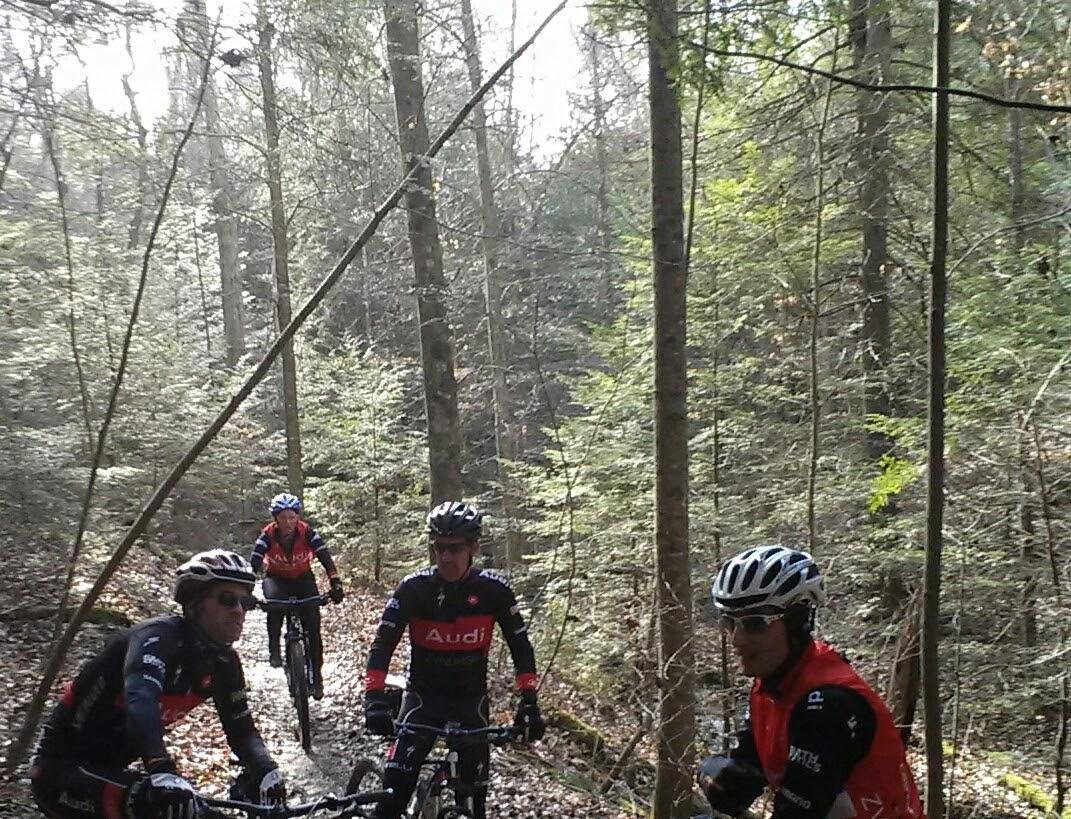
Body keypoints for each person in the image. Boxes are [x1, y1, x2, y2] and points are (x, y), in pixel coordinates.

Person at [30, 549, 286, 819]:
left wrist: (266, 770)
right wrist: (162, 768)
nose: (238, 611)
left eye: (245, 602)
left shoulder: (224, 662)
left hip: (112, 771)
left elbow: (242, 731)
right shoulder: (156, 638)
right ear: (194, 603)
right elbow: (140, 698)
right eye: (227, 599)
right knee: (165, 808)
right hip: (59, 771)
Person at [698, 545, 924, 819]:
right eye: (729, 622)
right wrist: (720, 776)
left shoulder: (828, 706)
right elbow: (742, 776)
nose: (736, 639)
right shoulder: (772, 685)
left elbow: (796, 812)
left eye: (754, 623)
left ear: (797, 622)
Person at [362, 501, 546, 819]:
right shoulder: (413, 589)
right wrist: (374, 697)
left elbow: (521, 647)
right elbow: (382, 645)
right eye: (439, 548)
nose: (446, 557)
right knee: (392, 798)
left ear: (473, 547)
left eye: (455, 548)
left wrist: (529, 700)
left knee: (476, 803)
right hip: (423, 699)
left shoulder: (494, 592)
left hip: (470, 702)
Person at [250, 492, 343, 700]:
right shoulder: (267, 535)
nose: (288, 522)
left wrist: (335, 582)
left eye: (292, 517)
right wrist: (245, 590)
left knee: (313, 628)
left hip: (303, 578)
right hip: (276, 578)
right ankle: (274, 648)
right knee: (274, 605)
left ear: (297, 517)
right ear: (275, 519)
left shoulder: (307, 533)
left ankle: (316, 677)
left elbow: (325, 557)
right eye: (283, 518)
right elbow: (254, 563)